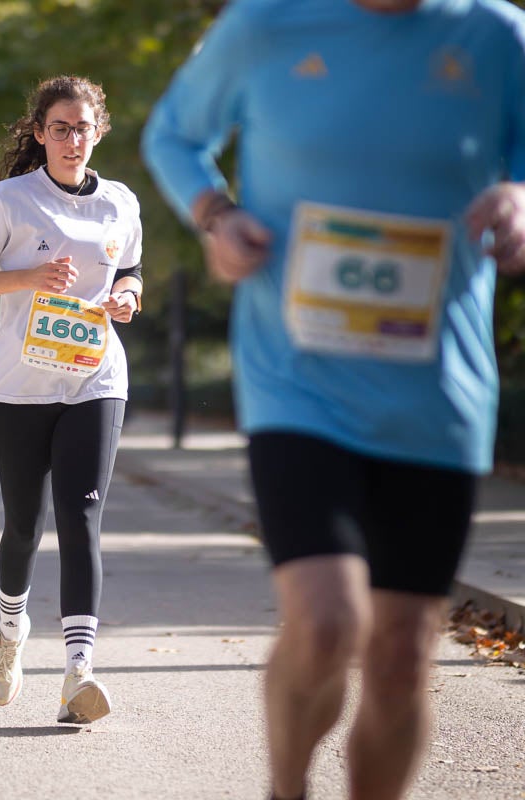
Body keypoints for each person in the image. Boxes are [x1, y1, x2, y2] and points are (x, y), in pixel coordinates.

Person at [142, 2, 525, 798]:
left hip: (437, 398)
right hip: (298, 382)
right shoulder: (266, 23)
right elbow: (173, 134)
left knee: (400, 653)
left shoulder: (496, 35)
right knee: (325, 622)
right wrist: (215, 214)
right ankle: (288, 788)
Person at [0, 75, 142, 725]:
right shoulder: (7, 201)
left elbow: (132, 272)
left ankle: (78, 674)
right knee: (24, 527)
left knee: (82, 517)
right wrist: (27, 277)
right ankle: (10, 634)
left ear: (98, 132)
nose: (71, 139)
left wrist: (128, 299)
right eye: (58, 127)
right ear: (39, 133)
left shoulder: (120, 203)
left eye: (82, 127)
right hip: (17, 388)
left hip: (95, 378)